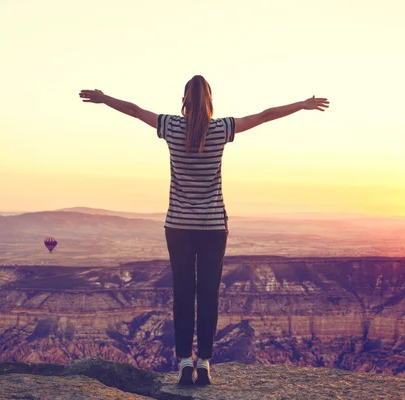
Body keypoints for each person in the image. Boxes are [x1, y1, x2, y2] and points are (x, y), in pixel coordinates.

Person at [79, 75, 329, 385]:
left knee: (183, 292)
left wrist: (104, 98)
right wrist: (301, 105)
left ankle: (185, 360)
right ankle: (205, 362)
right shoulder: (222, 129)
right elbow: (265, 115)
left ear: (184, 100)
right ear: (210, 101)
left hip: (179, 226)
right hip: (212, 227)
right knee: (208, 294)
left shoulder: (170, 126)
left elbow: (133, 109)